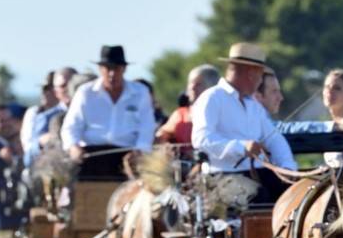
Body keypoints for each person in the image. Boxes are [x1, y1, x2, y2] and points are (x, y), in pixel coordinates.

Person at [191, 43, 296, 205]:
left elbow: (274, 138)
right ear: (251, 74)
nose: (260, 81)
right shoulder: (212, 98)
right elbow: (201, 139)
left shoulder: (253, 105)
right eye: (260, 75)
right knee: (258, 196)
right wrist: (240, 147)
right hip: (221, 176)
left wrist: (287, 168)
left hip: (256, 173)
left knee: (294, 192)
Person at [61, 45, 155, 180]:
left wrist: (141, 149)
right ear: (100, 69)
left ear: (124, 69)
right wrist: (73, 147)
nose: (112, 74)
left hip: (128, 156)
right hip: (91, 155)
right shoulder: (85, 93)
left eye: (116, 69)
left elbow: (147, 127)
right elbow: (71, 126)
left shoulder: (140, 93)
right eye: (108, 68)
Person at [156, 64, 219, 149]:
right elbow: (161, 135)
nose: (192, 87)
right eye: (191, 83)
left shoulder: (222, 112)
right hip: (185, 161)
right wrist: (167, 145)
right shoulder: (181, 114)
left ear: (211, 87)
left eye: (198, 84)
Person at [22, 71, 70, 166]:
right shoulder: (38, 114)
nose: (44, 92)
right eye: (44, 89)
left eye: (48, 88)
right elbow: (29, 153)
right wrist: (41, 142)